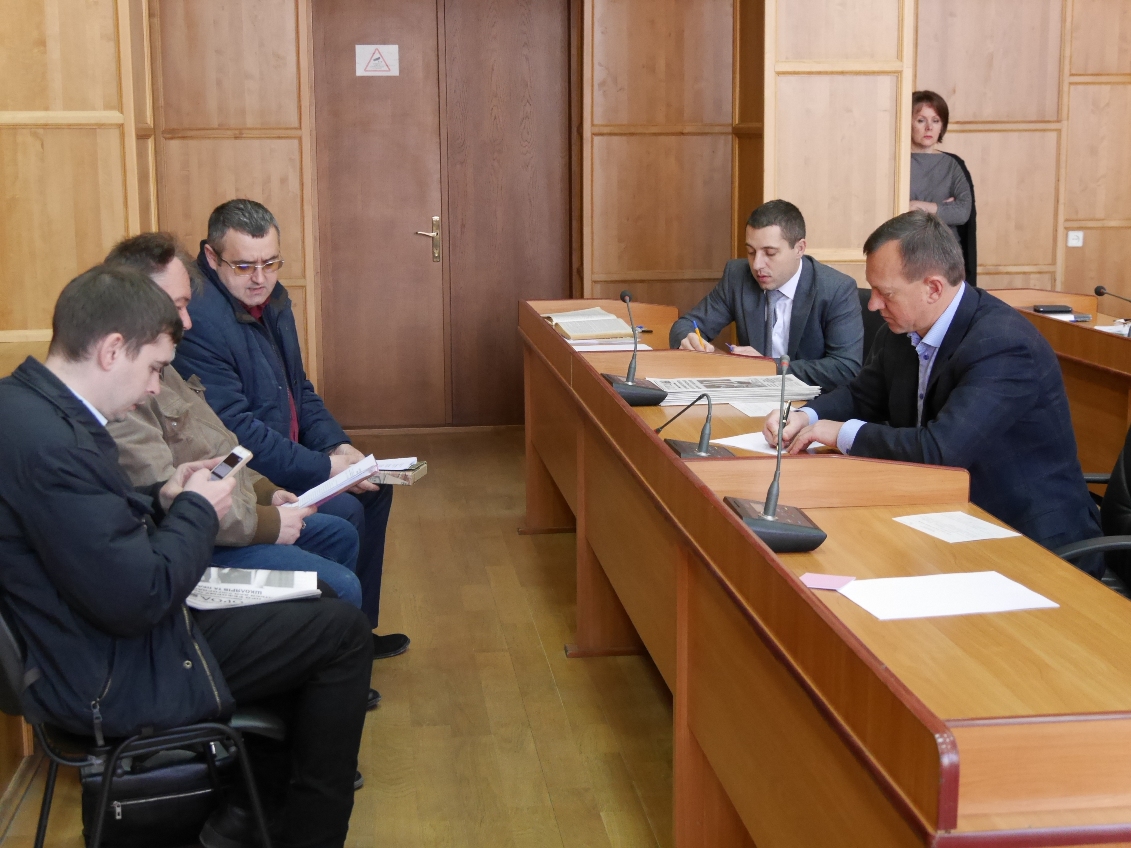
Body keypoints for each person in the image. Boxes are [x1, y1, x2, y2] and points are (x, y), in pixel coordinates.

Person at [0, 265, 373, 847]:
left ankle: (248, 813)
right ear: (112, 350)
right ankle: (296, 830)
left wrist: (163, 497)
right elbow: (142, 597)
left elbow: (98, 531)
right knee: (341, 632)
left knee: (313, 606)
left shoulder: (25, 406)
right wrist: (198, 510)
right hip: (105, 673)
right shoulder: (58, 447)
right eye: (153, 368)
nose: (156, 387)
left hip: (89, 641)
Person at [764, 211, 1102, 574]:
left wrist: (840, 432)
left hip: (1031, 541)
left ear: (934, 288)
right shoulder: (903, 328)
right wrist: (806, 416)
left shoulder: (1002, 344)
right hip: (947, 515)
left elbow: (940, 451)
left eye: (885, 293)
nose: (873, 304)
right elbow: (863, 395)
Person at [172, 199, 408, 659]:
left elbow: (299, 390)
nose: (260, 278)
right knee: (347, 509)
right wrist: (325, 468)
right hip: (258, 472)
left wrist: (338, 446)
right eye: (244, 266)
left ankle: (357, 632)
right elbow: (237, 432)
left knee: (375, 489)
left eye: (270, 263)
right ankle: (334, 649)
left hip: (290, 454)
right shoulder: (200, 321)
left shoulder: (273, 298)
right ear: (211, 257)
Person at [103, 232, 364, 611]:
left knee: (340, 534)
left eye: (270, 263)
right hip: (198, 545)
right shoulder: (125, 393)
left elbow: (223, 447)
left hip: (229, 512)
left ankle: (344, 636)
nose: (187, 322)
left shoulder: (165, 367)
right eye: (177, 307)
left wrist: (264, 491)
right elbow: (168, 507)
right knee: (340, 583)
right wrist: (267, 522)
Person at [668, 200, 864, 392]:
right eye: (751, 252)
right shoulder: (738, 277)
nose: (757, 265)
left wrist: (768, 367)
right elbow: (685, 324)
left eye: (769, 253)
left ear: (799, 248)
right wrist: (688, 340)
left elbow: (845, 368)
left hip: (810, 403)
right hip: (751, 397)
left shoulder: (835, 289)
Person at [909, 90, 974, 253]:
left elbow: (962, 212)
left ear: (942, 126)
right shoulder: (896, 163)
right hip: (906, 248)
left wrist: (917, 205)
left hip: (946, 251)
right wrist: (942, 209)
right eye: (921, 120)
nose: (929, 127)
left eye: (936, 120)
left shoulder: (952, 164)